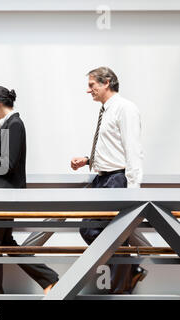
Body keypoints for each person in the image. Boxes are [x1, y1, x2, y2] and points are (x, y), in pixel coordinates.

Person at [0, 86, 59, 294]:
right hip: (5, 193)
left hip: (7, 194)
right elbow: (4, 162)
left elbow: (10, 162)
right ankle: (49, 279)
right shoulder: (10, 124)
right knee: (4, 242)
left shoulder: (14, 125)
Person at [71, 66, 147, 293]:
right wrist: (88, 160)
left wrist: (133, 190)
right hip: (103, 178)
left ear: (106, 83)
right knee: (94, 229)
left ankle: (125, 277)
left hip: (116, 180)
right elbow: (113, 148)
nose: (88, 90)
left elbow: (133, 150)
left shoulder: (125, 108)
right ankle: (129, 272)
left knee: (94, 229)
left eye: (92, 85)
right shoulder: (106, 110)